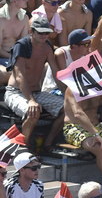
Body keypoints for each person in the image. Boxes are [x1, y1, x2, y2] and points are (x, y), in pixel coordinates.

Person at [3, 17, 63, 147]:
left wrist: (67, 93)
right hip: (16, 92)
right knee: (33, 111)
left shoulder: (47, 47)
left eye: (46, 32)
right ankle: (23, 147)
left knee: (68, 107)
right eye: (40, 32)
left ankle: (48, 143)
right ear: (31, 31)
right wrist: (30, 100)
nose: (43, 36)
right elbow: (20, 76)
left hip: (36, 92)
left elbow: (55, 72)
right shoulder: (22, 46)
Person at [62, 71, 102, 179]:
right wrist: (95, 135)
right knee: (100, 148)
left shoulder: (99, 86)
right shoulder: (72, 89)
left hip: (96, 125)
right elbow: (78, 113)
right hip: (75, 127)